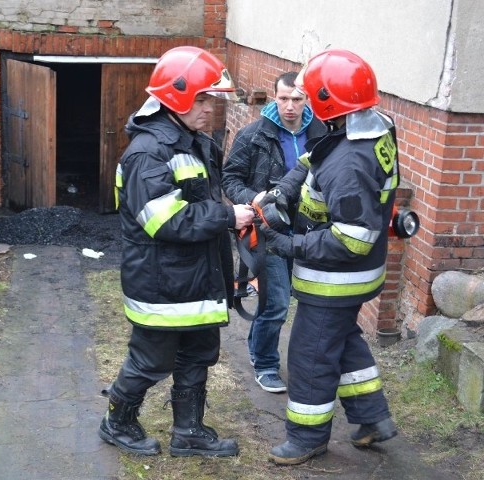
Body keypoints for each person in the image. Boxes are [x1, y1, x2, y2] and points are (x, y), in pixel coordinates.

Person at [98, 46, 255, 457]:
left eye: (212, 99)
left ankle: (189, 432)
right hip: (162, 282)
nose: (210, 109)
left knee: (199, 353)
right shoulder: (148, 153)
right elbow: (164, 222)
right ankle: (117, 421)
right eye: (203, 99)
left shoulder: (193, 141)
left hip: (196, 278)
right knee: (150, 362)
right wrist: (226, 216)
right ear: (177, 96)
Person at [258, 49, 400, 465]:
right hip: (361, 273)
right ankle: (373, 419)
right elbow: (316, 157)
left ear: (324, 102)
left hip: (336, 275)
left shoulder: (349, 164)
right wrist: (284, 188)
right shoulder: (369, 125)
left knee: (311, 355)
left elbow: (350, 239)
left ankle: (306, 437)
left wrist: (289, 245)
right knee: (342, 340)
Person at [222, 72, 326, 394]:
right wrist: (251, 199)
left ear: (306, 100)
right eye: (283, 99)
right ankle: (265, 363)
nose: (290, 106)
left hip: (308, 230)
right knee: (277, 302)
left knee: (300, 301)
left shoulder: (322, 135)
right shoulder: (253, 135)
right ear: (273, 97)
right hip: (264, 230)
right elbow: (230, 179)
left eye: (297, 99)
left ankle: (257, 347)